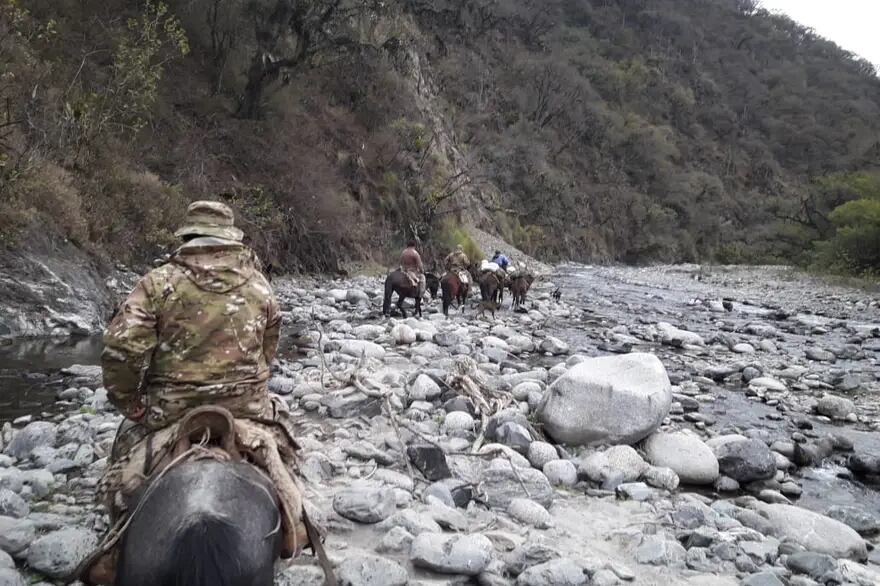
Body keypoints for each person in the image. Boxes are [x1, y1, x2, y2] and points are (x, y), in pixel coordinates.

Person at [102, 200, 281, 435]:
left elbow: (121, 347)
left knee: (125, 447)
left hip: (170, 410)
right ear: (231, 239)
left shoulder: (157, 282)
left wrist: (128, 401)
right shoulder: (260, 285)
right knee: (284, 435)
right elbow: (268, 349)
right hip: (248, 407)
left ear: (186, 237)